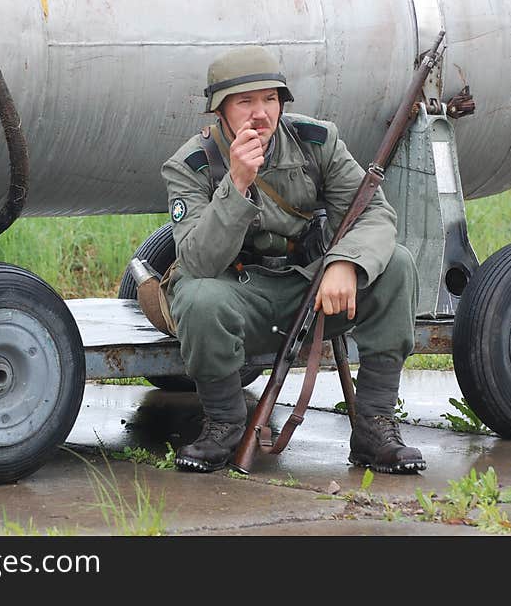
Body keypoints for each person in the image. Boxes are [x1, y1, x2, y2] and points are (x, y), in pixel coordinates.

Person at [160, 46, 424, 474]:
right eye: (245, 102)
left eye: (270, 99)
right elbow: (197, 262)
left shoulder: (316, 142)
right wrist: (237, 183)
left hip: (313, 288)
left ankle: (375, 424)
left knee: (396, 265)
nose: (260, 113)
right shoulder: (190, 164)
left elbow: (374, 213)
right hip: (239, 296)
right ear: (220, 112)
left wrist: (345, 264)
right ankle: (224, 424)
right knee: (197, 297)